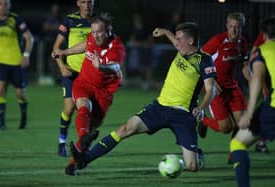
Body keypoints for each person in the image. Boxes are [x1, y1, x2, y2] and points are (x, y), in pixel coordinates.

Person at [70, 22, 217, 175]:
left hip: (183, 115)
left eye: (179, 39)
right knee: (125, 129)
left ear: (190, 41)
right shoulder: (182, 49)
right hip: (160, 107)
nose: (176, 42)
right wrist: (165, 31)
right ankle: (84, 159)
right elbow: (175, 41)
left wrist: (201, 108)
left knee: (192, 166)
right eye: (176, 39)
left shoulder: (204, 60)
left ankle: (197, 155)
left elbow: (210, 89)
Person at [52, 13, 126, 175]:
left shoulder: (117, 47)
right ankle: (84, 135)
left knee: (92, 127)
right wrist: (64, 52)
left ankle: (72, 165)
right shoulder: (92, 37)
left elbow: (115, 68)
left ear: (108, 29)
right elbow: (86, 44)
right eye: (93, 32)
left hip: (104, 93)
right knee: (84, 105)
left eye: (99, 32)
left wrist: (101, 67)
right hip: (83, 83)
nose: (96, 35)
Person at [230, 16, 275, 187]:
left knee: (238, 142)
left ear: (263, 35)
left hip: (273, 109)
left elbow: (256, 78)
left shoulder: (262, 51)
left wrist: (249, 113)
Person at [52, 0, 94, 157]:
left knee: (87, 111)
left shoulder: (99, 22)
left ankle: (83, 146)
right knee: (69, 109)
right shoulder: (69, 20)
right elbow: (56, 47)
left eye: (90, 2)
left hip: (91, 75)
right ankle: (62, 142)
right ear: (78, 4)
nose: (88, 5)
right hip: (72, 73)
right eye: (84, 2)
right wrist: (62, 67)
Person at [198, 12, 248, 140]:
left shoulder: (242, 43)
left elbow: (244, 66)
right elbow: (199, 59)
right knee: (226, 127)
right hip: (215, 89)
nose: (234, 30)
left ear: (242, 27)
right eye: (231, 26)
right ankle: (204, 121)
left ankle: (234, 156)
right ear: (227, 26)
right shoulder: (218, 41)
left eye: (237, 27)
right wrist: (212, 80)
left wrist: (253, 82)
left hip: (232, 87)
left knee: (243, 123)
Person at [0, 0, 34, 130]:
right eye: (0, 4)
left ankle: (23, 119)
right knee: (0, 90)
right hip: (1, 62)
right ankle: (2, 124)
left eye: (5, 4)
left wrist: (26, 56)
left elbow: (29, 38)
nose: (3, 6)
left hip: (17, 62)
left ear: (9, 6)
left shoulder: (15, 19)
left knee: (20, 94)